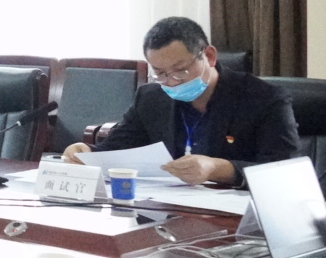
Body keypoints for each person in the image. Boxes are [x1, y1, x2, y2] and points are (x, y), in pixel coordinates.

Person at [62, 16, 298, 185]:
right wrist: (86, 154)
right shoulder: (151, 98)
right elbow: (117, 149)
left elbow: (283, 173)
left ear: (209, 56)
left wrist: (217, 169)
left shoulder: (264, 99)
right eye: (160, 73)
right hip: (170, 211)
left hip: (235, 216)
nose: (172, 82)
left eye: (180, 70)